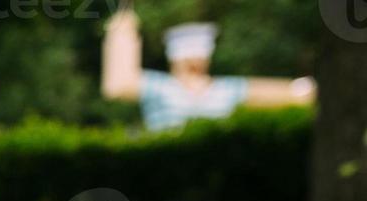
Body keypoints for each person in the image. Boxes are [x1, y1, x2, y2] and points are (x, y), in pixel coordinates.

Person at [102, 7, 315, 131]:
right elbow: (118, 85)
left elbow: (288, 93)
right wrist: (122, 33)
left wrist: (310, 90)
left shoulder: (225, 89)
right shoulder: (160, 87)